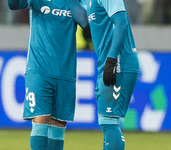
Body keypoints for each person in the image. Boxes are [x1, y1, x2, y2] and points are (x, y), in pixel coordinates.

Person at [8, 0, 88, 150]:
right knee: (41, 119)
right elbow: (13, 5)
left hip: (66, 72)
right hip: (39, 69)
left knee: (59, 125)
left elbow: (84, 21)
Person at [86, 0, 139, 149]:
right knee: (107, 120)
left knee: (108, 121)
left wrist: (111, 60)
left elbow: (121, 22)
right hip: (109, 62)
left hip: (118, 62)